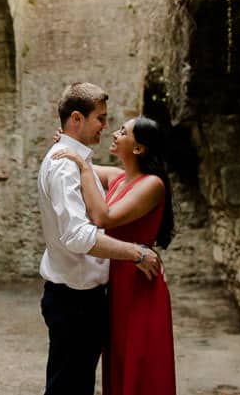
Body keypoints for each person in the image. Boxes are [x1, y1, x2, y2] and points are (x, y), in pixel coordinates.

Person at [38, 82, 161, 395]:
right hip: (74, 299)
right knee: (69, 387)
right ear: (77, 119)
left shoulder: (79, 162)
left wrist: (76, 153)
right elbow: (79, 236)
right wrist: (136, 253)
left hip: (83, 297)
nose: (107, 127)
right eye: (101, 119)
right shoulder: (67, 165)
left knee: (75, 383)